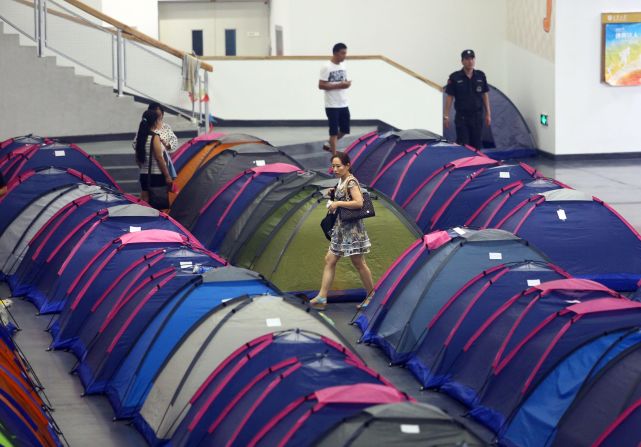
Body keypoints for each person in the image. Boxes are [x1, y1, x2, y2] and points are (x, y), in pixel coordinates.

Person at [310, 152, 374, 310]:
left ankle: (371, 296)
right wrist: (333, 195)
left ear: (347, 165)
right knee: (330, 260)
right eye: (333, 166)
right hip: (341, 229)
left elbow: (359, 203)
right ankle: (322, 296)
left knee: (359, 263)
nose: (335, 169)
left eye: (338, 166)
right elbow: (344, 198)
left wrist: (337, 203)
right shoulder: (342, 180)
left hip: (352, 230)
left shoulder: (351, 181)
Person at [444, 49, 491, 150]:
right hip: (462, 118)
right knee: (464, 146)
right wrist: (446, 116)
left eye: (472, 59)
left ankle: (477, 165)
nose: (470, 61)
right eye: (467, 59)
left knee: (477, 146)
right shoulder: (455, 77)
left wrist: (488, 114)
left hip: (477, 117)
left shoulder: (480, 75)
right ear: (462, 61)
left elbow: (484, 95)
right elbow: (449, 97)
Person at [135, 109, 173, 206]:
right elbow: (159, 158)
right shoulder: (154, 137)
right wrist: (167, 176)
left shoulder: (140, 137)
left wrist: (145, 167)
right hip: (156, 176)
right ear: (154, 121)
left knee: (146, 203)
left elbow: (138, 159)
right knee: (157, 205)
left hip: (144, 175)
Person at [319, 43, 351, 154]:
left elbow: (344, 81)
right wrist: (339, 86)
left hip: (343, 103)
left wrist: (346, 84)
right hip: (332, 105)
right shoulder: (326, 67)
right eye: (343, 53)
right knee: (333, 132)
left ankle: (328, 144)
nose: (345, 55)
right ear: (336, 53)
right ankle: (335, 156)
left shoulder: (343, 65)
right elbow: (321, 85)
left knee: (344, 130)